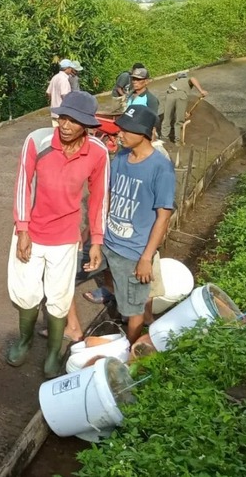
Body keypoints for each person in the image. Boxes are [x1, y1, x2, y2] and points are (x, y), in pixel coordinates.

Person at [7, 91, 109, 378]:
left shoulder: (98, 153)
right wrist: (23, 228)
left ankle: (52, 353)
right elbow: (22, 186)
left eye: (72, 121)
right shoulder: (37, 140)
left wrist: (96, 241)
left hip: (65, 237)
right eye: (62, 117)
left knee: (59, 296)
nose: (64, 125)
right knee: (26, 293)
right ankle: (24, 341)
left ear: (86, 125)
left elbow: (99, 197)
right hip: (31, 232)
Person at [98, 105, 175, 345]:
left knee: (135, 309)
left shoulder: (160, 168)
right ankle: (114, 301)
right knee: (111, 285)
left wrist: (146, 258)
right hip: (108, 241)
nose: (119, 135)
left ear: (143, 133)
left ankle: (130, 349)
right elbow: (109, 193)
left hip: (134, 252)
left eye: (125, 131)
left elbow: (163, 216)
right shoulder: (121, 156)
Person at [160, 71, 208, 145]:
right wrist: (201, 90)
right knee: (179, 120)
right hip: (181, 95)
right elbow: (192, 78)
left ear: (177, 78)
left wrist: (184, 112)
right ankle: (177, 141)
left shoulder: (175, 82)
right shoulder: (187, 79)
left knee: (167, 117)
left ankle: (163, 138)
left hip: (169, 94)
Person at [45, 59, 75, 127]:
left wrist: (54, 101)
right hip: (62, 113)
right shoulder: (64, 80)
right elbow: (65, 96)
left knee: (56, 132)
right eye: (70, 68)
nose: (71, 70)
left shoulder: (55, 77)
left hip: (54, 111)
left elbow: (48, 93)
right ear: (67, 68)